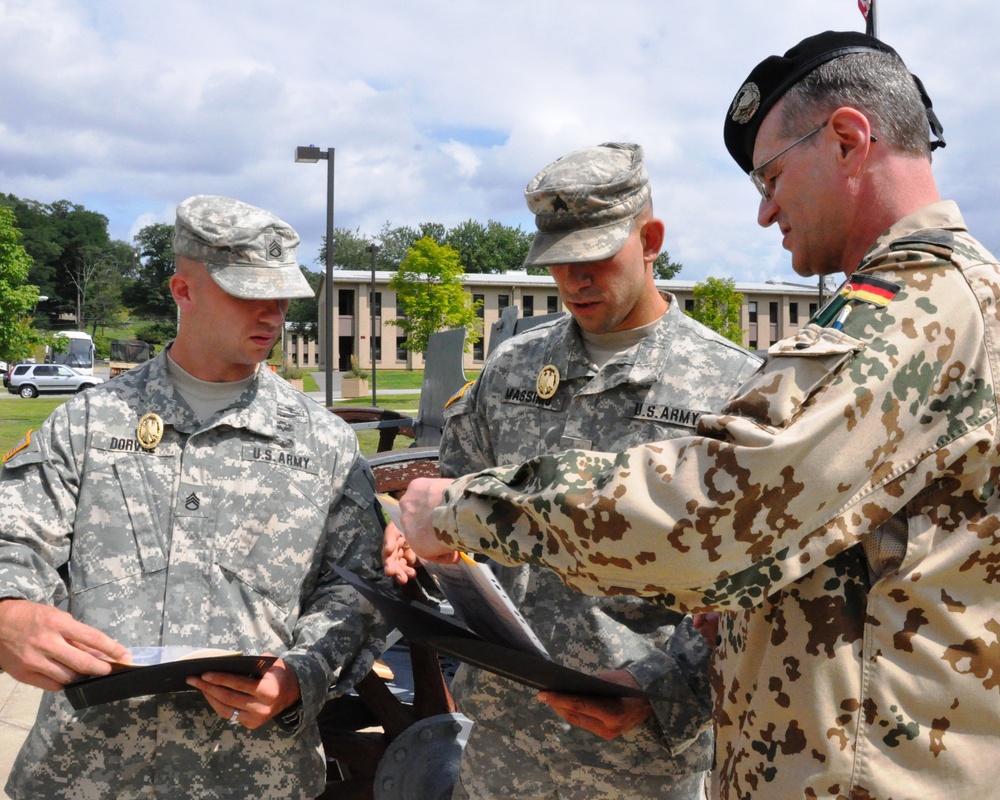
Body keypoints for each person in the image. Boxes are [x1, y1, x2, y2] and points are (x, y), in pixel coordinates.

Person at [389, 31, 1000, 799]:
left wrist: (461, 511)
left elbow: (719, 514)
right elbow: (805, 558)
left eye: (772, 175)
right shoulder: (917, 306)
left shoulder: (918, 312)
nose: (765, 210)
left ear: (847, 139)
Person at [387, 142, 761, 800]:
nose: (573, 280)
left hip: (640, 761)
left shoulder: (732, 385)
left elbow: (757, 583)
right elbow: (454, 508)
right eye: (559, 261)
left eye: (594, 258)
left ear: (651, 240)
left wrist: (665, 688)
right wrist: (415, 541)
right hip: (501, 747)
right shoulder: (510, 372)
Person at [0, 195, 388, 799]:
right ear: (183, 290)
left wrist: (301, 674)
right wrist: (9, 611)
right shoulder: (89, 422)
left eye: (281, 295)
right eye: (247, 294)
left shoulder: (325, 442)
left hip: (256, 773)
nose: (272, 313)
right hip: (86, 771)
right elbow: (14, 535)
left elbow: (358, 588)